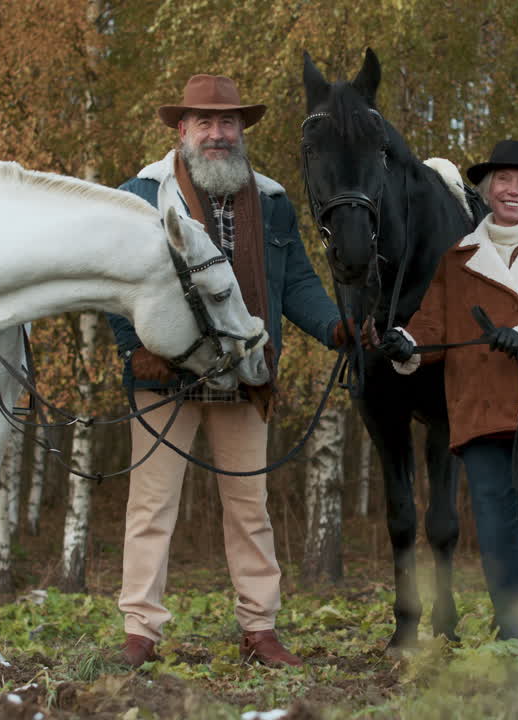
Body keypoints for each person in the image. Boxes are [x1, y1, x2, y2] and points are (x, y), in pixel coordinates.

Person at [107, 74, 348, 668]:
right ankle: (141, 632)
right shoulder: (140, 194)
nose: (217, 134)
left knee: (250, 505)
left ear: (242, 131)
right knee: (150, 507)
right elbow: (114, 284)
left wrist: (335, 328)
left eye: (228, 123)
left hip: (247, 372)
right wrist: (132, 351)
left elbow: (296, 283)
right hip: (163, 376)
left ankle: (259, 630)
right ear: (181, 130)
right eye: (205, 123)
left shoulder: (271, 199)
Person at [378, 140, 518, 665]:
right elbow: (432, 323)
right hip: (479, 413)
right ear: (487, 190)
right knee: (499, 535)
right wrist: (406, 344)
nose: (513, 191)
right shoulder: (457, 260)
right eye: (503, 180)